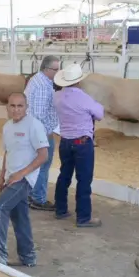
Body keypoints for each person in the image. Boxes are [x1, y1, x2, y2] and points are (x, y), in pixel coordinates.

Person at [0, 92, 49, 267]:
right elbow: (7, 153)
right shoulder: (7, 127)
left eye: (20, 106)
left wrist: (21, 174)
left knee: (0, 206)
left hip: (24, 180)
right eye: (12, 106)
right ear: (7, 108)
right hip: (11, 178)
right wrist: (2, 176)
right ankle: (28, 257)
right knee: (20, 217)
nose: (16, 109)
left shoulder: (34, 125)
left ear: (26, 107)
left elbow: (43, 156)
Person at [53, 63, 104, 228]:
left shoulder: (57, 97)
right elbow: (100, 114)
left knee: (64, 176)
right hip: (82, 143)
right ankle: (83, 217)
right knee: (83, 180)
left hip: (65, 141)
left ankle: (60, 209)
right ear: (78, 81)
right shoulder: (83, 97)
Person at [24, 55, 60, 211]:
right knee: (43, 165)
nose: (58, 72)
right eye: (56, 69)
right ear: (46, 69)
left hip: (35, 130)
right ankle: (38, 199)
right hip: (42, 133)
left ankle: (31, 195)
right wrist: (44, 136)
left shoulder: (37, 80)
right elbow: (38, 114)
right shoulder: (42, 86)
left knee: (35, 165)